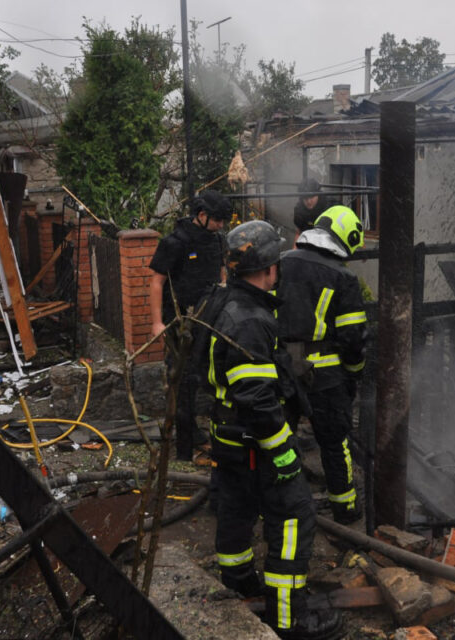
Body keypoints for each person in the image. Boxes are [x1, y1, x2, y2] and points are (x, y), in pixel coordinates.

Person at [207, 220, 341, 639]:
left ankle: (239, 582)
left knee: (235, 510)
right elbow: (256, 399)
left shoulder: (223, 301)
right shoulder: (249, 320)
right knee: (293, 517)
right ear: (267, 268)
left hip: (229, 441)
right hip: (255, 444)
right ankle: (288, 619)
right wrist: (283, 451)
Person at [277, 205, 367, 525]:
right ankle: (344, 507)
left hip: (281, 366)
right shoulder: (343, 277)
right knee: (333, 440)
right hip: (325, 374)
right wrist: (353, 375)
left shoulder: (282, 262)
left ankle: (280, 501)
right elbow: (352, 338)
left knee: (278, 438)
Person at [149, 189, 233, 460]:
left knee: (206, 376)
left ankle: (203, 435)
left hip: (208, 319)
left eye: (224, 221)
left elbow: (221, 274)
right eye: (218, 220)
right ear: (202, 215)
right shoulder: (175, 242)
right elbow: (156, 282)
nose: (221, 225)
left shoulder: (218, 240)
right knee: (182, 383)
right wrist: (157, 323)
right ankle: (184, 450)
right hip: (179, 321)